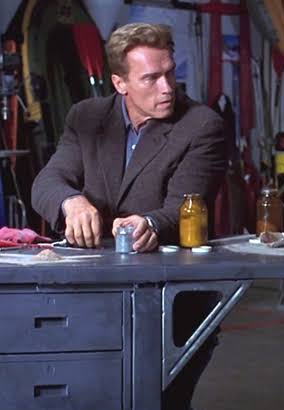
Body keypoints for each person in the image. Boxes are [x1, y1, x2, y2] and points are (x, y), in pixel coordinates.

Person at [31, 23, 226, 410]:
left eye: (170, 72)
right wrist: (71, 201)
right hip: (91, 294)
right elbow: (48, 181)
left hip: (169, 300)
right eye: (151, 78)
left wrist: (150, 224)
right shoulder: (86, 117)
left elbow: (185, 206)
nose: (167, 87)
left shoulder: (202, 125)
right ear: (120, 83)